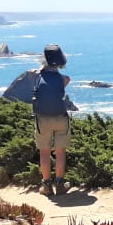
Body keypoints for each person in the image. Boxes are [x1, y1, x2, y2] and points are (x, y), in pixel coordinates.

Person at [32, 44, 72, 196]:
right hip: (61, 118)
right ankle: (60, 185)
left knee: (44, 153)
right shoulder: (63, 79)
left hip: (42, 119)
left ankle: (46, 186)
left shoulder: (37, 77)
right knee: (60, 152)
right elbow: (65, 80)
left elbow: (35, 76)